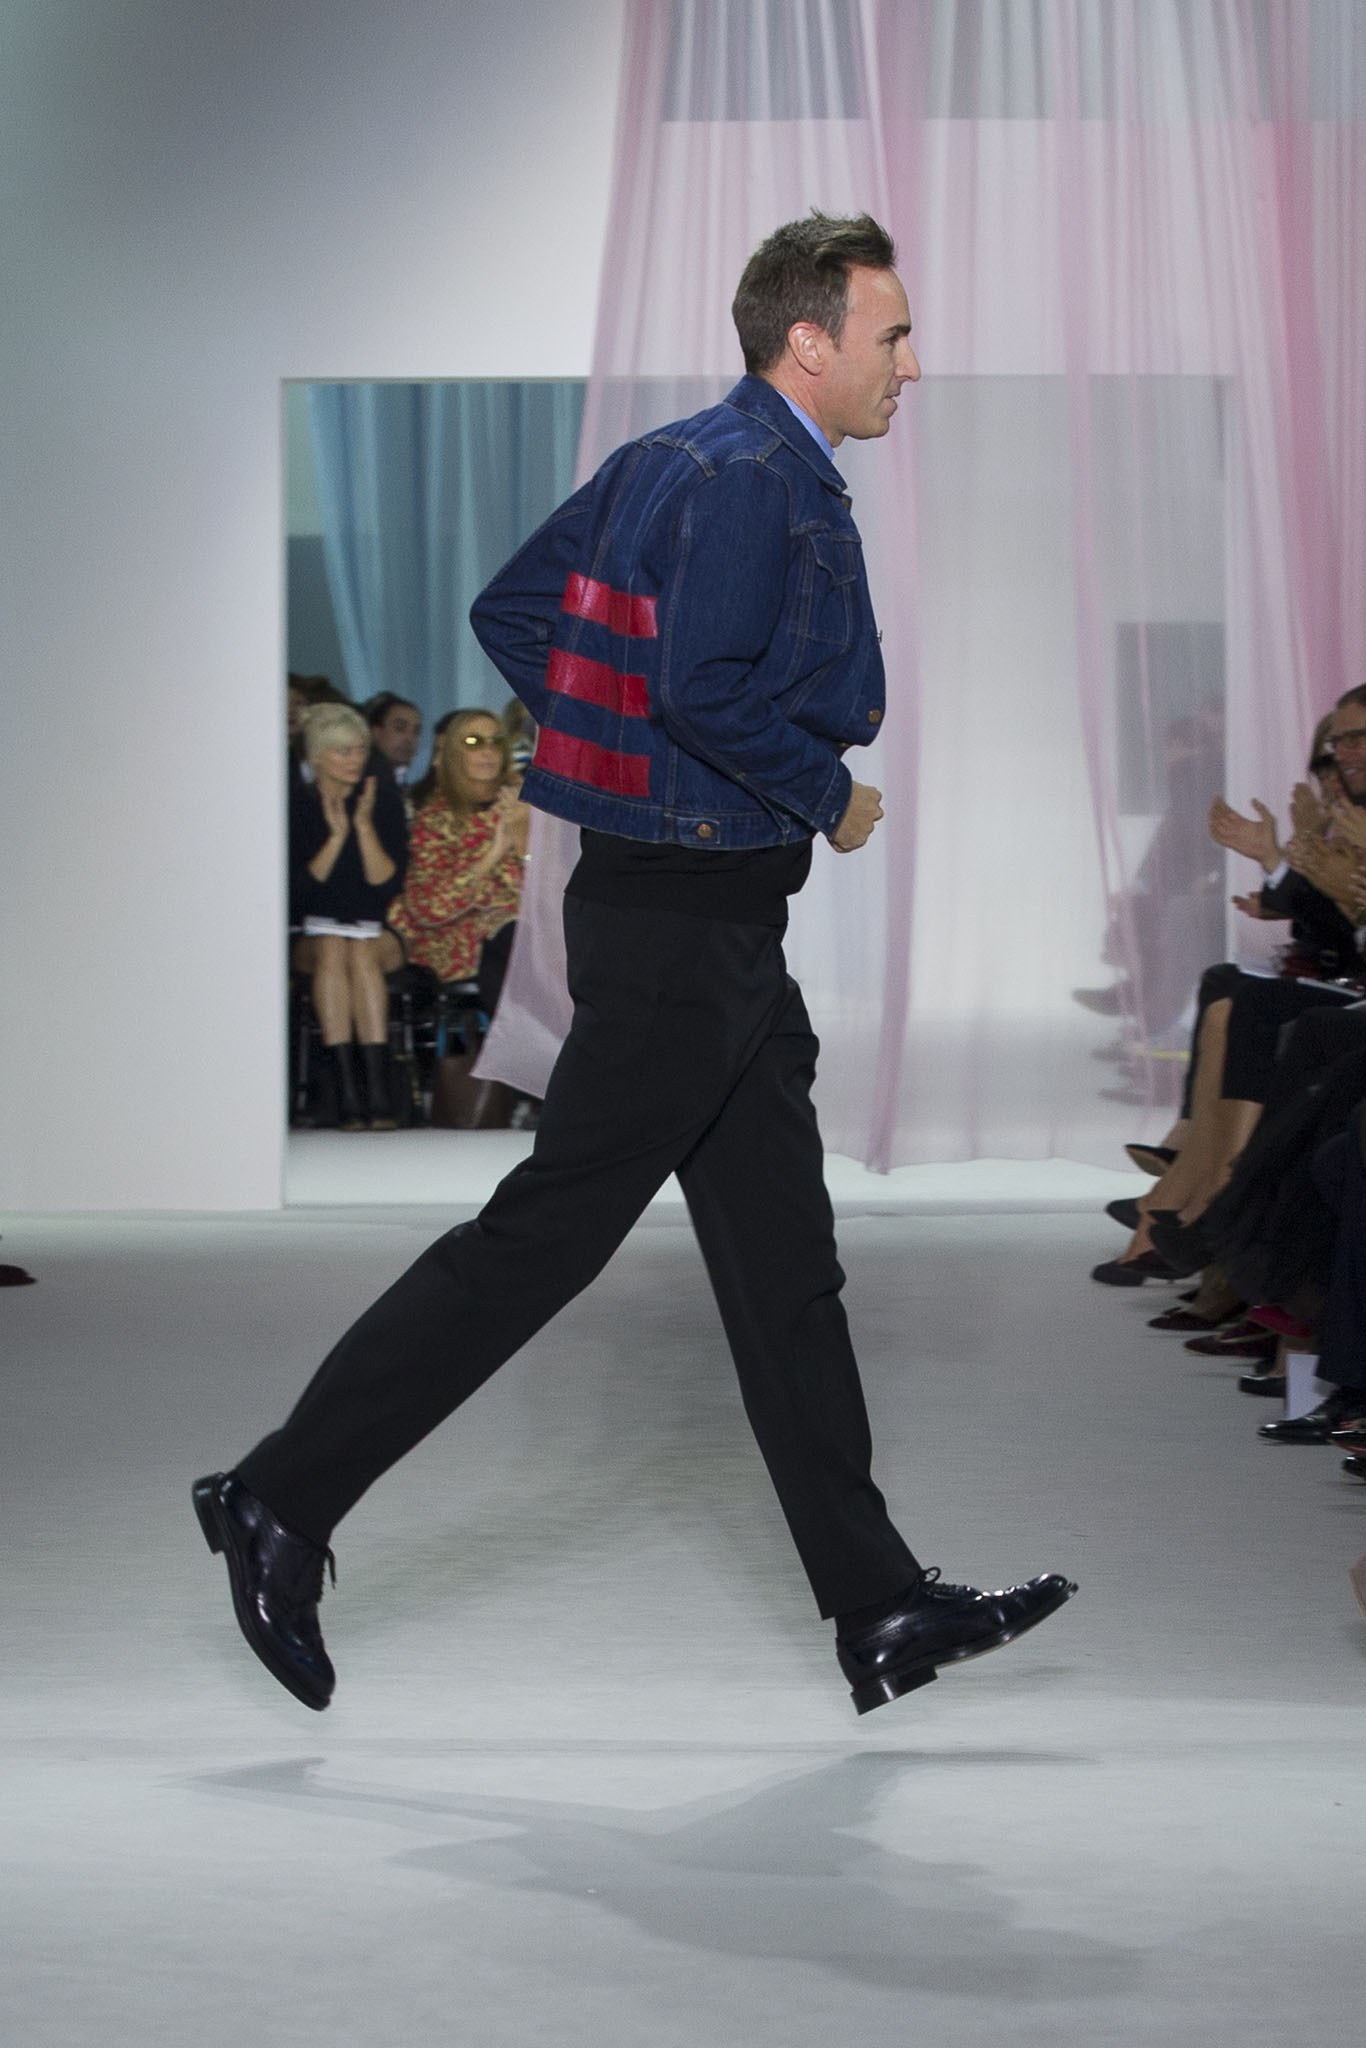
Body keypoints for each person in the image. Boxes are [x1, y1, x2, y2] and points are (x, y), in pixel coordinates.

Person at [194, 212, 1076, 1716]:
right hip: (684, 922)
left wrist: (619, 760)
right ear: (810, 340)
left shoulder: (671, 457)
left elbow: (514, 613)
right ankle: (280, 1494)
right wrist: (822, 792)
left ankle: (876, 1604)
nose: (911, 365)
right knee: (547, 1236)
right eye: (892, 335)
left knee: (784, 1268)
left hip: (701, 916)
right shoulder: (755, 478)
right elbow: (700, 687)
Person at [290, 703, 408, 1129]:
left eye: (360, 750)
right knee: (332, 948)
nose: (354, 760)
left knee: (356, 951)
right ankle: (349, 1094)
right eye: (343, 751)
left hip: (374, 930)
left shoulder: (382, 802)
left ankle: (374, 1095)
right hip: (313, 932)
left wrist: (362, 828)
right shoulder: (296, 806)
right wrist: (336, 837)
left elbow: (385, 887)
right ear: (317, 756)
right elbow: (300, 892)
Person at [385, 708, 528, 1020]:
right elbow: (427, 906)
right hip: (457, 938)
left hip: (528, 930)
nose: (488, 751)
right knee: (516, 942)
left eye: (496, 741)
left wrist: (522, 839)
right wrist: (494, 851)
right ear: (452, 751)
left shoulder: (526, 804)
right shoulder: (434, 818)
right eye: (474, 742)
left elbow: (552, 882)